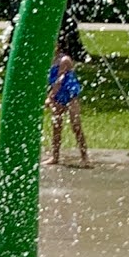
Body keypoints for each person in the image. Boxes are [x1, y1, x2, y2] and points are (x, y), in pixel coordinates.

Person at [45, 28, 90, 168]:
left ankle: (85, 157)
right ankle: (55, 156)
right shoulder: (49, 60)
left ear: (58, 44)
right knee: (56, 126)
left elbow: (60, 80)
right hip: (57, 95)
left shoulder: (65, 60)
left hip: (69, 95)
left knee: (76, 125)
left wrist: (50, 97)